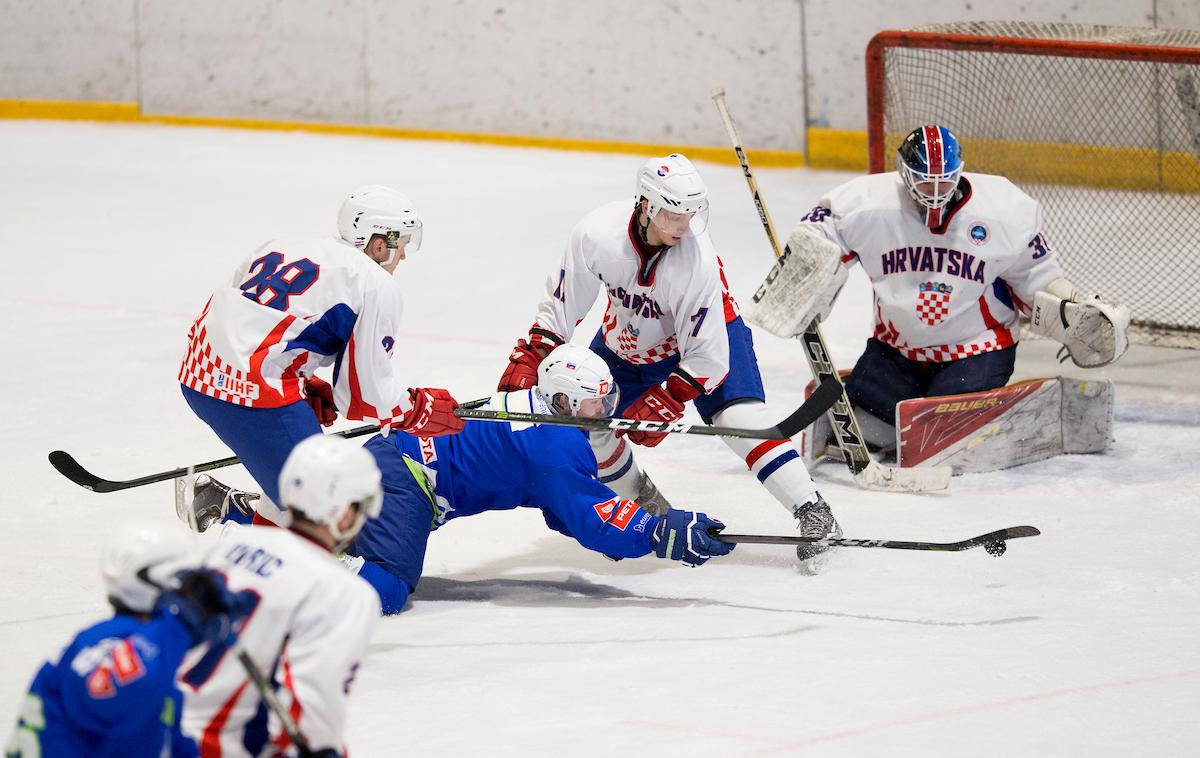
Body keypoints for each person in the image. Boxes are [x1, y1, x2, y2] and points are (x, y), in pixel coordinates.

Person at [186, 345, 737, 615]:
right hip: (409, 482)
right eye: (597, 401)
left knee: (349, 533)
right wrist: (662, 531)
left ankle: (239, 512)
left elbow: (559, 505)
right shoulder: (556, 444)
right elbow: (593, 521)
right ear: (566, 398)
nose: (605, 410)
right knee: (386, 589)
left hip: (391, 456)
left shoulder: (536, 408)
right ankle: (260, 563)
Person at [495, 154, 839, 563]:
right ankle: (644, 512)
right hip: (628, 340)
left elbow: (708, 357)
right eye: (674, 215)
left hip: (709, 339)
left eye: (691, 214)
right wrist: (535, 353)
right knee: (588, 423)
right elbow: (563, 305)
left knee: (738, 420)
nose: (685, 225)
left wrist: (670, 398)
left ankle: (814, 511)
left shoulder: (696, 261)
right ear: (646, 206)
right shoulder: (597, 234)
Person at [787, 125, 1129, 456]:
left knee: (941, 434)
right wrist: (805, 266)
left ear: (959, 172)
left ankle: (960, 413)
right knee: (869, 430)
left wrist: (1069, 305)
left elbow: (1036, 275)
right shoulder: (872, 205)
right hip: (897, 350)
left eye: (945, 180)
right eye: (924, 180)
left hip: (975, 351)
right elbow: (823, 226)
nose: (935, 191)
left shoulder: (1002, 213)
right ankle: (908, 406)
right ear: (904, 173)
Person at [178, 185, 464, 528]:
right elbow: (364, 396)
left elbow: (240, 312)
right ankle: (236, 537)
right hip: (255, 394)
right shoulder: (374, 283)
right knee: (328, 506)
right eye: (401, 245)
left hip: (198, 371)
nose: (402, 256)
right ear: (379, 244)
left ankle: (224, 509)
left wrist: (297, 377)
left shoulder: (286, 244)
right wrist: (417, 410)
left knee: (302, 483)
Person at [179, 435, 382, 757]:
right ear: (343, 512)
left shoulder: (230, 546)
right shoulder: (343, 591)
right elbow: (313, 712)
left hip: (147, 727)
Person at [6, 522, 247, 758]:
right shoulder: (100, 648)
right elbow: (124, 683)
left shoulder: (150, 658)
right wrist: (178, 627)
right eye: (187, 582)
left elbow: (165, 740)